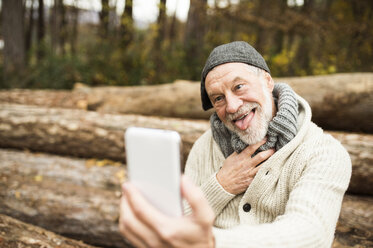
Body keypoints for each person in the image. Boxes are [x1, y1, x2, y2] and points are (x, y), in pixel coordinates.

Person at [119, 41, 351, 247]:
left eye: (239, 86)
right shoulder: (205, 146)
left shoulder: (325, 152)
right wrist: (222, 185)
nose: (231, 106)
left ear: (267, 81)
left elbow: (311, 235)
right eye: (218, 98)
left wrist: (211, 243)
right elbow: (175, 222)